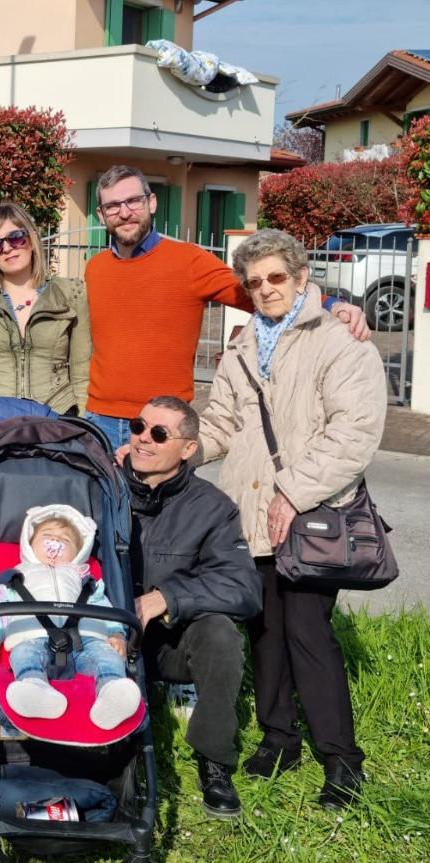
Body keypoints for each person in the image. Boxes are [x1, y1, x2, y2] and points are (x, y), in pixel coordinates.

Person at [197, 229, 386, 811]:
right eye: (254, 282)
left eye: (277, 278)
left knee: (307, 632)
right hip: (250, 511)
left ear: (302, 278)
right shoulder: (243, 345)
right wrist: (173, 451)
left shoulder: (339, 340)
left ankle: (342, 759)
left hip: (311, 514)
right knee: (265, 630)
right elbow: (222, 424)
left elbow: (354, 433)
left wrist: (294, 492)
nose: (265, 289)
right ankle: (280, 738)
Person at [84, 165, 368, 448]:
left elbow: (260, 293)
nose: (124, 212)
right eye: (113, 206)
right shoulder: (95, 269)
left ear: (152, 202)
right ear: (101, 214)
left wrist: (331, 304)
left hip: (163, 423)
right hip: (99, 419)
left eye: (133, 201)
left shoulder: (189, 261)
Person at [120, 396, 260, 819]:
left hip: (165, 641)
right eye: (138, 426)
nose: (143, 439)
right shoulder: (100, 486)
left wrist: (168, 598)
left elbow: (244, 588)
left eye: (159, 434)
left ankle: (213, 759)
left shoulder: (211, 507)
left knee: (220, 633)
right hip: (102, 634)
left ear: (188, 449)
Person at [0, 202, 90, 452]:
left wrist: (85, 429)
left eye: (16, 238)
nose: (7, 248)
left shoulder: (71, 293)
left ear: (31, 238)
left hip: (59, 422)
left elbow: (82, 372)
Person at [0, 505, 140, 730]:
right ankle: (34, 688)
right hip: (32, 635)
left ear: (77, 552)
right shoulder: (17, 576)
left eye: (64, 540)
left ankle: (113, 691)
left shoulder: (84, 578)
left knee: (105, 656)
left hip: (85, 638)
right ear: (29, 544)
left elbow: (103, 606)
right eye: (46, 537)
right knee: (24, 654)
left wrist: (115, 632)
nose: (54, 543)